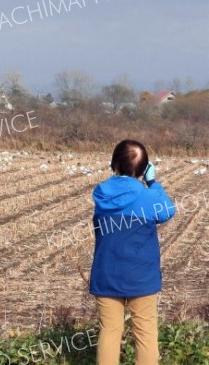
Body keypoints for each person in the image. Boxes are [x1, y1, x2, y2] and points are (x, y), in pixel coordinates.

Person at [90, 139, 176, 365]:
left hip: (107, 274)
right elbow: (168, 210)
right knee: (145, 331)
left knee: (109, 331)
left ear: (113, 164)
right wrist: (153, 183)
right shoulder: (147, 196)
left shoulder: (101, 195)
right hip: (141, 277)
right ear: (143, 169)